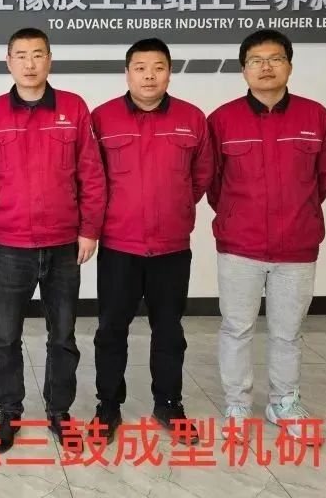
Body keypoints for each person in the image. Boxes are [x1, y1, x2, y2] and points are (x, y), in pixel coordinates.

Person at [0, 27, 106, 452]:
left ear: (49, 59)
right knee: (5, 337)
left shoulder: (73, 107)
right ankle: (9, 411)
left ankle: (59, 412)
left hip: (64, 243)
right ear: (8, 61)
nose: (30, 64)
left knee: (62, 335)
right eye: (21, 55)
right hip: (10, 244)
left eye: (37, 54)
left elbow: (91, 173)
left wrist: (89, 229)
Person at [207, 29, 326, 443]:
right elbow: (213, 181)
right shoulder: (222, 119)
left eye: (275, 59)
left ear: (289, 66)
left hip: (297, 245)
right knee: (237, 328)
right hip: (240, 245)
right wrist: (235, 214)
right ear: (243, 69)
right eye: (256, 60)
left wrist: (300, 211)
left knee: (288, 331)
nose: (266, 67)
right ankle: (237, 404)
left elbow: (324, 175)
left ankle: (284, 402)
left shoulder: (315, 116)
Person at [89, 38, 214, 445]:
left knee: (169, 330)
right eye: (140, 67)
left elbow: (201, 175)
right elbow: (91, 177)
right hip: (118, 245)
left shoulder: (192, 118)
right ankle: (108, 405)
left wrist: (174, 206)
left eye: (158, 67)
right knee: (111, 329)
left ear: (169, 73)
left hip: (171, 247)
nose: (149, 76)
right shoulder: (102, 118)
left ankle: (169, 403)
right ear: (127, 73)